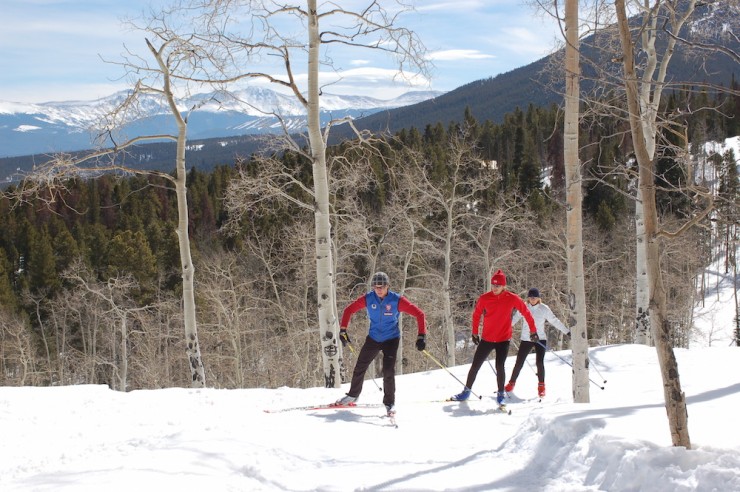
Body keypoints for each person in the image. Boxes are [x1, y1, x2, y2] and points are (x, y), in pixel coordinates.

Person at [335, 271, 427, 416]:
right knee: (360, 366)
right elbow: (348, 310)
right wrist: (343, 330)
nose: (378, 290)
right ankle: (353, 395)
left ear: (387, 286)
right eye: (376, 287)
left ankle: (389, 403)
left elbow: (420, 314)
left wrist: (422, 335)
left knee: (388, 371)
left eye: (381, 287)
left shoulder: (396, 300)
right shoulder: (368, 299)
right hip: (373, 338)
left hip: (391, 339)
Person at [450, 269, 537, 406]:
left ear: (504, 286)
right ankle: (466, 391)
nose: (495, 288)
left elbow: (526, 312)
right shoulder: (485, 298)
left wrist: (533, 331)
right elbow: (476, 314)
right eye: (493, 285)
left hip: (503, 339)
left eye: (498, 285)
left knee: (500, 366)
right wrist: (474, 332)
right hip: (487, 338)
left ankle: (501, 393)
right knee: (475, 365)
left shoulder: (512, 298)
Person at [505, 287, 570, 398]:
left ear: (538, 298)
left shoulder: (544, 309)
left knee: (539, 363)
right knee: (519, 362)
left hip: (540, 339)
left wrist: (567, 332)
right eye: (530, 297)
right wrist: (504, 328)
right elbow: (514, 319)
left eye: (534, 297)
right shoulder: (524, 307)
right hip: (526, 339)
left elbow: (554, 320)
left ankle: (541, 386)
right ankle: (511, 383)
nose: (532, 299)